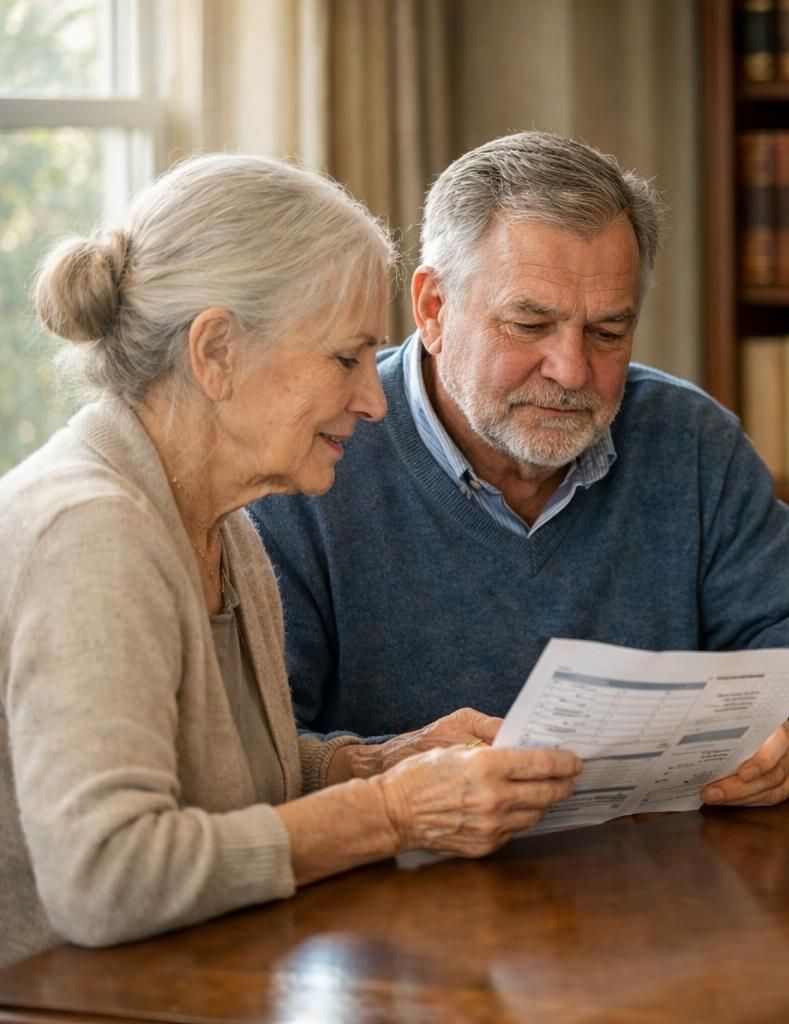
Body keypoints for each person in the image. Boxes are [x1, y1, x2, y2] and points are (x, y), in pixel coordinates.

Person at [0, 154, 584, 968]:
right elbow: (107, 879)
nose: (375, 400)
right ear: (216, 353)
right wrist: (388, 812)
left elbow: (234, 786)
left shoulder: (222, 525)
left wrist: (373, 762)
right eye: (346, 359)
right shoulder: (91, 533)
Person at [249, 131, 789, 807]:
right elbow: (254, 747)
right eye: (530, 325)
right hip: (402, 886)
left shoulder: (686, 438)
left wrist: (785, 727)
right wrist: (382, 767)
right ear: (433, 309)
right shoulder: (316, 457)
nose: (573, 371)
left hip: (658, 874)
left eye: (608, 333)